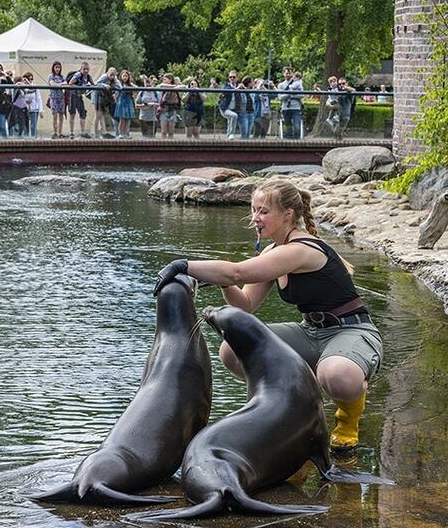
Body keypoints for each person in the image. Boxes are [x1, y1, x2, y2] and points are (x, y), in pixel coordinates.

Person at [153, 179, 383, 455]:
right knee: (233, 349)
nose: (256, 218)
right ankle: (292, 410)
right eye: (253, 210)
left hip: (352, 331)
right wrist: (225, 284)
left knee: (337, 375)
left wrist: (184, 266)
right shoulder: (272, 251)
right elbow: (245, 304)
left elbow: (237, 271)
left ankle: (347, 423)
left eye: (263, 211)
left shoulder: (301, 249)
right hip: (310, 331)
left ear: (288, 214)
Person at [67, 61, 94, 138]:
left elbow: (93, 84)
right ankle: (71, 133)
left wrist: (88, 87)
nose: (86, 71)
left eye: (87, 69)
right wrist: (80, 87)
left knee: (83, 114)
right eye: (84, 69)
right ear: (81, 69)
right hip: (73, 95)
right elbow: (70, 83)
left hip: (79, 96)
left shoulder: (88, 76)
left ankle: (83, 132)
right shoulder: (78, 75)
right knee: (72, 113)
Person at [277, 66, 304, 139]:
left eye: (289, 73)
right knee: (288, 128)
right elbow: (280, 97)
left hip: (296, 108)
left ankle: (297, 143)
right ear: (283, 74)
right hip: (285, 108)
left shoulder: (298, 83)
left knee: (297, 127)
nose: (288, 74)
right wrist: (290, 94)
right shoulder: (281, 85)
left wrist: (290, 95)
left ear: (292, 73)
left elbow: (302, 94)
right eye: (286, 73)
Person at [93, 67, 119, 138]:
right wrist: (104, 85)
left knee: (101, 115)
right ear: (107, 73)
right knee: (97, 115)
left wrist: (115, 90)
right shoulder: (104, 77)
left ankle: (103, 132)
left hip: (104, 98)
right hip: (97, 95)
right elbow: (96, 83)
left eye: (114, 75)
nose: (112, 76)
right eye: (111, 75)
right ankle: (96, 134)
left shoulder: (115, 79)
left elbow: (119, 86)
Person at [47, 61, 67, 139]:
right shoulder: (50, 76)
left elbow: (66, 83)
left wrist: (59, 84)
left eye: (59, 67)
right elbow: (52, 84)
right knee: (55, 116)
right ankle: (55, 133)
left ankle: (60, 133)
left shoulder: (62, 76)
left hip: (61, 98)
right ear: (53, 68)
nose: (57, 69)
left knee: (61, 115)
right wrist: (61, 84)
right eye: (56, 67)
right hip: (53, 98)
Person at [158, 73, 181, 139]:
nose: (163, 81)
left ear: (170, 79)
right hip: (164, 109)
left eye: (165, 79)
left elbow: (183, 86)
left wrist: (175, 86)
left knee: (171, 132)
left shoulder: (175, 87)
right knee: (163, 131)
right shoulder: (164, 86)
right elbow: (161, 85)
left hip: (172, 109)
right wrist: (174, 86)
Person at [114, 69, 135, 139]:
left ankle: (125, 133)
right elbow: (116, 93)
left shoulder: (130, 84)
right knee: (122, 119)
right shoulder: (119, 84)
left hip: (128, 102)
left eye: (126, 76)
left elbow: (136, 88)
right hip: (122, 102)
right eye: (124, 76)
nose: (125, 77)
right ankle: (120, 133)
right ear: (121, 77)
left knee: (126, 119)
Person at [218, 70, 240, 138]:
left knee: (231, 120)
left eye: (234, 77)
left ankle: (228, 136)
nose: (232, 78)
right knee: (234, 116)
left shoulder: (239, 86)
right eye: (230, 77)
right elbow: (227, 91)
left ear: (237, 78)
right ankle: (231, 134)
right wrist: (237, 89)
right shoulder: (226, 85)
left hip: (234, 108)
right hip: (224, 108)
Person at [23, 72, 43, 138]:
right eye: (29, 79)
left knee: (33, 126)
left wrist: (41, 110)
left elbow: (39, 99)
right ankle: (25, 140)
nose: (30, 80)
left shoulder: (34, 86)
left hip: (34, 109)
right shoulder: (22, 86)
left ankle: (33, 139)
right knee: (25, 126)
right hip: (25, 109)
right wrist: (25, 101)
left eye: (32, 79)